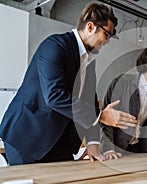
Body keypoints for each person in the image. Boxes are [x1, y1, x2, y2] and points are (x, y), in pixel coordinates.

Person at [0, 2, 137, 166]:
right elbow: (54, 96)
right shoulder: (54, 46)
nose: (107, 41)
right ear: (91, 27)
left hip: (58, 139)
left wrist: (93, 142)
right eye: (107, 34)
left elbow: (89, 102)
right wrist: (101, 116)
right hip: (28, 136)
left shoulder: (89, 63)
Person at [101, 48, 147, 159]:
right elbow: (106, 120)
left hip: (140, 150)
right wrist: (108, 149)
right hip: (117, 151)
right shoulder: (121, 82)